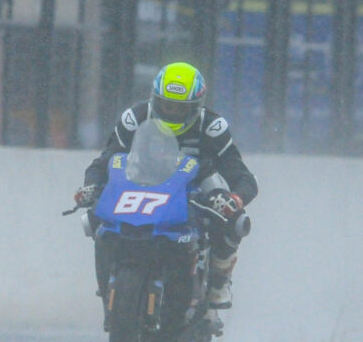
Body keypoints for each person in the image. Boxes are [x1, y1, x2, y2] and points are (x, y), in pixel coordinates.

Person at [74, 62, 259, 312]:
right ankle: (108, 283)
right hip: (140, 184)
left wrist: (234, 199)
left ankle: (219, 280)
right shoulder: (135, 119)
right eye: (166, 105)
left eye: (181, 108)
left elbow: (243, 177)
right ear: (154, 99)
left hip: (193, 191)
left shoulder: (213, 127)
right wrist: (92, 187)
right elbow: (105, 161)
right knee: (93, 217)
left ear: (197, 106)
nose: (172, 113)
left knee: (234, 220)